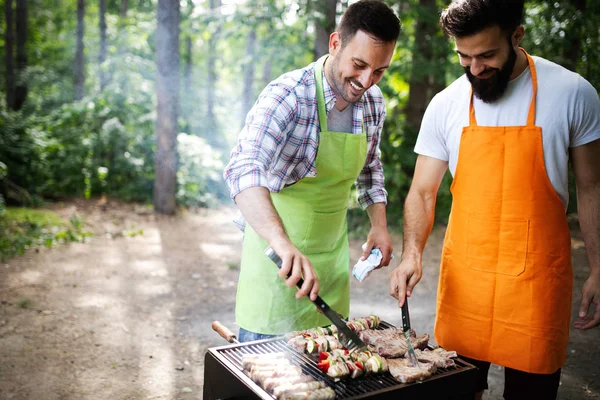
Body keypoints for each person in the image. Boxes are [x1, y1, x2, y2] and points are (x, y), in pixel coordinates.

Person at [389, 0, 600, 399]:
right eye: (464, 58)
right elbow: (422, 190)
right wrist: (411, 253)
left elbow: (592, 187)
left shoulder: (573, 93)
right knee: (456, 390)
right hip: (466, 285)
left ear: (516, 36)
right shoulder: (446, 103)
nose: (475, 69)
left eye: (487, 55)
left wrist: (599, 265)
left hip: (536, 287)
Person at [224, 0, 400, 342]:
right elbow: (243, 167)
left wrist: (379, 225)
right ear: (335, 44)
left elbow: (370, 167)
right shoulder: (288, 95)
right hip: (277, 262)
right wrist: (281, 243)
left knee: (329, 383)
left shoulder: (373, 102)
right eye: (359, 64)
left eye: (379, 71)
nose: (366, 81)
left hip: (331, 265)